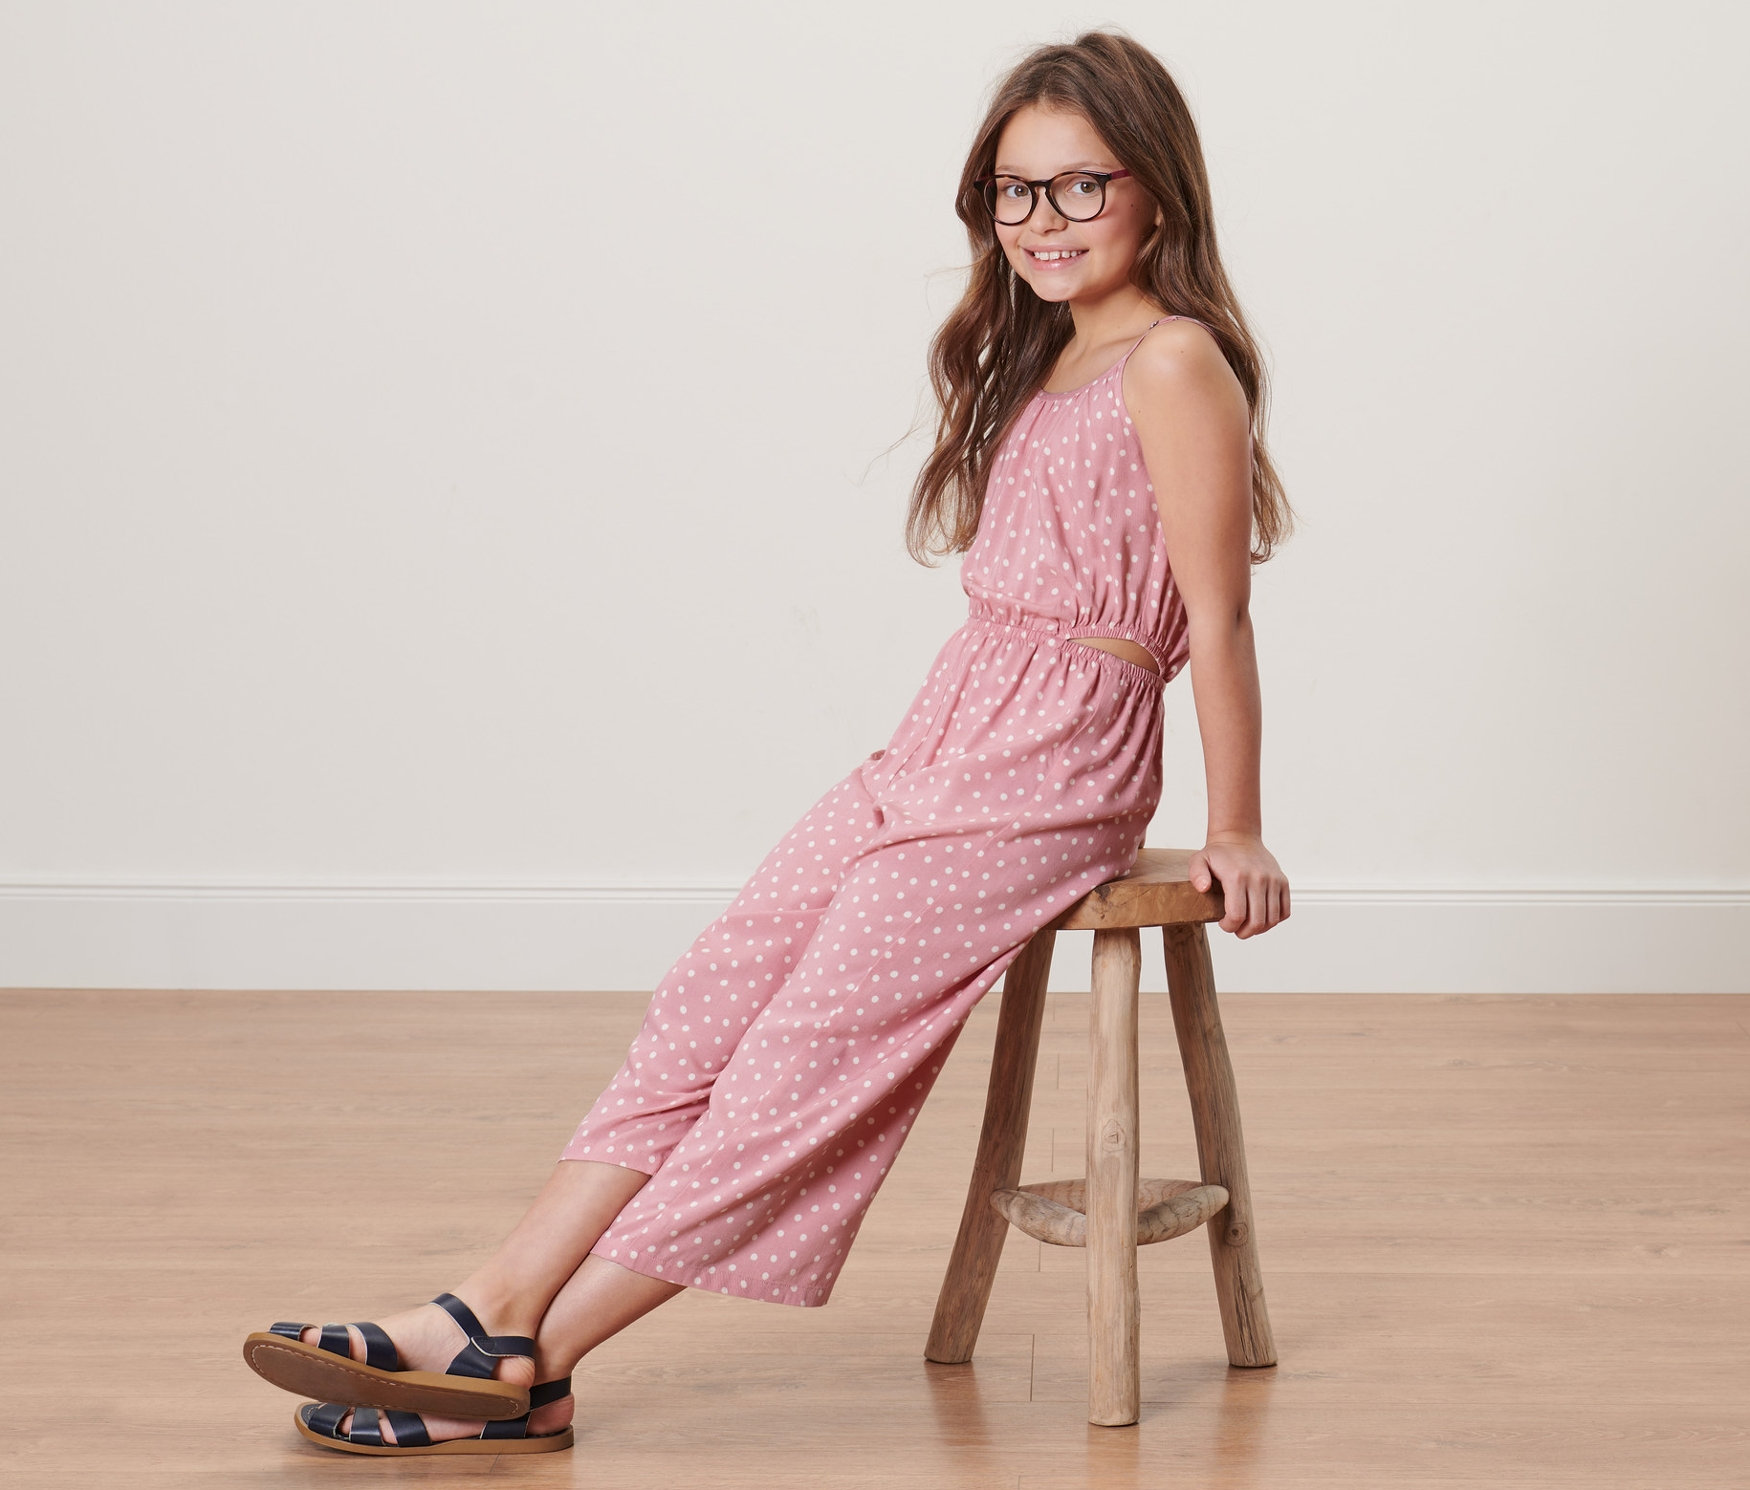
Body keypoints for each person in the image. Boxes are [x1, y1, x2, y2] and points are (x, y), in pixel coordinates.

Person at [242, 27, 1295, 1457]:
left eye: (1077, 187)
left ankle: (535, 1363)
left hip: (1051, 770)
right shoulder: (1051, 353)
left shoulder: (1173, 364)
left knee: (808, 1051)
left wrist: (1233, 823)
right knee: (716, 988)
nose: (1040, 222)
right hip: (939, 738)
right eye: (1012, 193)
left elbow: (1218, 622)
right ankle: (485, 1302)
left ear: (1155, 192)